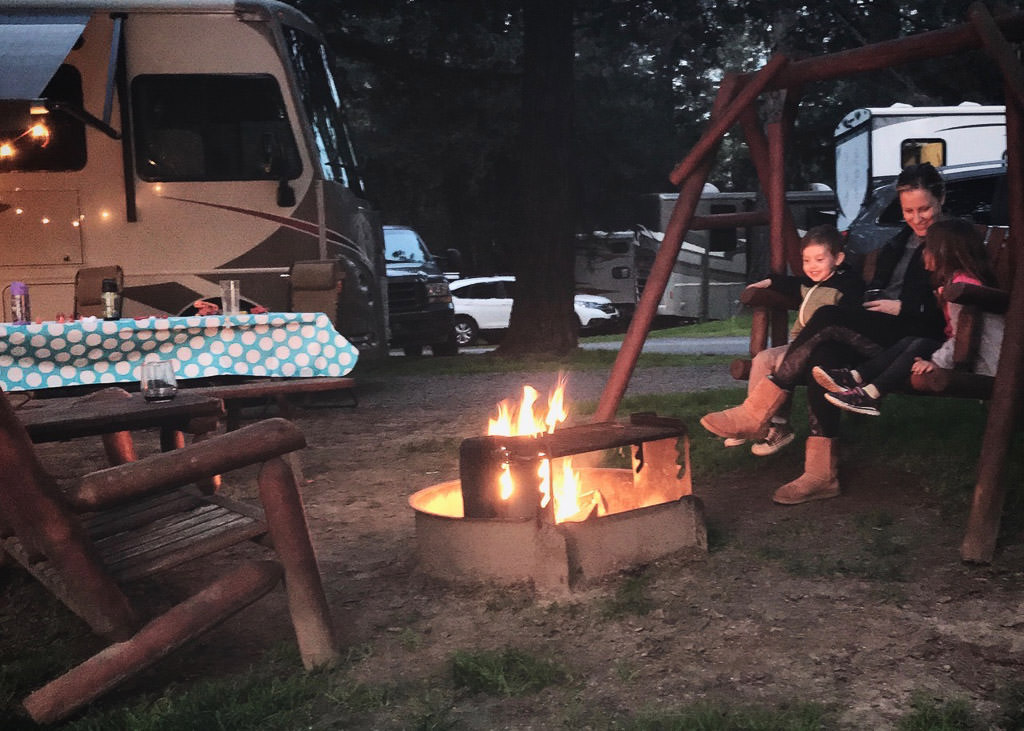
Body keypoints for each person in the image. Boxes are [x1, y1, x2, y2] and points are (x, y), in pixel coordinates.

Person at [700, 162, 949, 505]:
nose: (917, 218)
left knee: (829, 314)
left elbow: (951, 309)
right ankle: (821, 475)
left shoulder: (952, 242)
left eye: (925, 209)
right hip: (876, 327)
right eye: (909, 210)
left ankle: (757, 411)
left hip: (909, 338)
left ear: (942, 199)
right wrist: (874, 301)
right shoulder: (899, 242)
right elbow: (871, 288)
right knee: (822, 360)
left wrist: (903, 308)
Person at [815, 218, 1004, 415]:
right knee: (914, 342)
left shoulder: (962, 288)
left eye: (928, 248)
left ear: (945, 252)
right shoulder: (956, 281)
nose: (923, 253)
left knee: (920, 344)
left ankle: (868, 392)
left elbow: (963, 339)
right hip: (968, 353)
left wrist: (936, 362)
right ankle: (858, 380)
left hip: (983, 362)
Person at [723, 224, 863, 455]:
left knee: (779, 363)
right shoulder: (808, 284)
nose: (812, 267)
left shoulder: (848, 285)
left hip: (825, 350)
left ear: (838, 258)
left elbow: (851, 317)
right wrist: (766, 283)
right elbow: (785, 282)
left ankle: (778, 426)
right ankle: (758, 421)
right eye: (806, 261)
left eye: (819, 259)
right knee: (763, 358)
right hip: (797, 346)